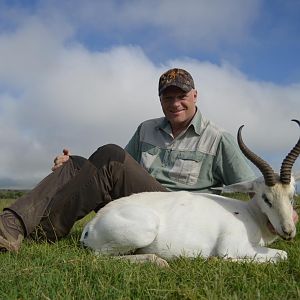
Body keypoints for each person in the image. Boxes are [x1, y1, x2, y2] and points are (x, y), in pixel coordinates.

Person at [0, 68, 256, 252]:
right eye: (168, 97)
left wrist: (281, 212)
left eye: (182, 96)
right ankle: (13, 224)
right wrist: (70, 168)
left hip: (179, 214)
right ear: (160, 100)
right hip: (138, 206)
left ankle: (40, 231)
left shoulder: (218, 138)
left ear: (195, 96)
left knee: (110, 155)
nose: (175, 103)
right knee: (77, 163)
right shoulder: (146, 129)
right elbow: (111, 171)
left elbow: (253, 188)